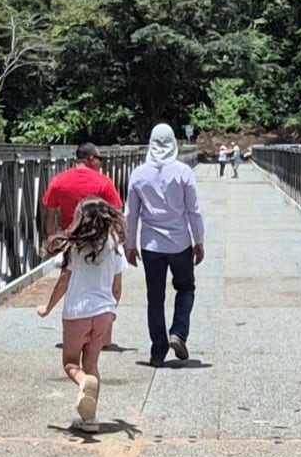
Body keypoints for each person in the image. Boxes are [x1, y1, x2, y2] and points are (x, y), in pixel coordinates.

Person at [36, 198, 127, 432]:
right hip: (104, 314)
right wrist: (111, 308)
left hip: (78, 313)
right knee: (92, 363)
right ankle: (90, 420)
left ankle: (83, 383)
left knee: (70, 363)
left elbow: (64, 281)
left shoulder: (74, 247)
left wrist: (48, 308)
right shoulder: (114, 244)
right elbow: (117, 287)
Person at [125, 124, 205, 366]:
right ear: (173, 143)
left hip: (151, 245)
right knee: (186, 288)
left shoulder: (138, 174)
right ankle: (178, 333)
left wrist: (130, 244)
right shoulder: (183, 172)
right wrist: (199, 241)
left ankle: (157, 351)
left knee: (155, 298)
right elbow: (194, 210)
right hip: (180, 243)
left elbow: (131, 213)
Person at [42, 143, 122, 242]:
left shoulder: (58, 181)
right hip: (97, 243)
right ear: (91, 159)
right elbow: (117, 215)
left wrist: (53, 240)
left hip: (70, 242)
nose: (101, 163)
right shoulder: (104, 182)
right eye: (100, 159)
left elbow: (50, 216)